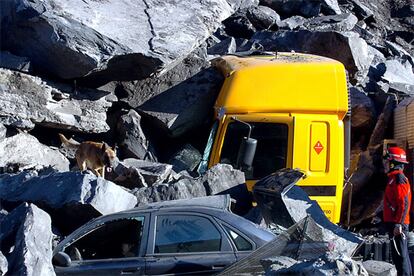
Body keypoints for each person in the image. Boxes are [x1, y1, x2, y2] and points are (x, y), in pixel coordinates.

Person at [383, 146, 412, 276]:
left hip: (398, 224)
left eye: (388, 162)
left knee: (401, 257)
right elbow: (392, 201)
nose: (386, 164)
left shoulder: (399, 179)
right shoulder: (393, 179)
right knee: (398, 256)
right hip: (394, 222)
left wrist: (399, 224)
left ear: (394, 163)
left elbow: (404, 203)